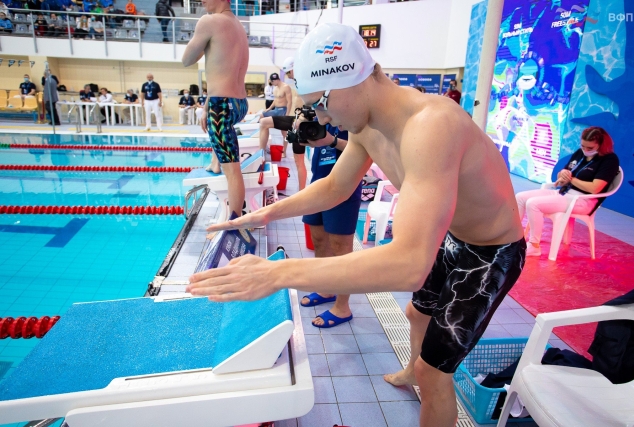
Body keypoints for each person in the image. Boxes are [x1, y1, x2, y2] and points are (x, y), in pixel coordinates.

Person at [187, 23, 526, 427]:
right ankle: (411, 370)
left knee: (434, 373)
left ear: (352, 79)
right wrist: (266, 213)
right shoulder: (366, 126)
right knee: (416, 314)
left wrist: (277, 274)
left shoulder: (432, 125)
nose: (322, 118)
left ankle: (421, 374)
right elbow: (335, 186)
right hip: (455, 237)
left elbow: (409, 264)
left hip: (493, 250)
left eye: (320, 104)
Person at [181, 0, 248, 218]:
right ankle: (215, 163)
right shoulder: (238, 26)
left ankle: (234, 225)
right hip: (238, 103)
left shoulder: (208, 22)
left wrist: (202, 44)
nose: (201, 1)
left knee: (233, 173)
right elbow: (223, 67)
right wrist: (208, 104)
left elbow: (186, 60)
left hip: (222, 107)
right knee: (226, 159)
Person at [516, 126, 619, 257]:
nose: (585, 150)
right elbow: (562, 177)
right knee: (520, 197)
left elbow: (595, 188)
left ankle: (534, 245)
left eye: (590, 148)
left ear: (601, 145)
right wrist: (562, 174)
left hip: (584, 200)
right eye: (583, 146)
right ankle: (514, 237)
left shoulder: (610, 160)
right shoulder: (580, 153)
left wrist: (571, 179)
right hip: (564, 192)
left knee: (533, 204)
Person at [299, 122, 362, 328]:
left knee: (341, 250)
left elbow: (365, 150)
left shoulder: (356, 117)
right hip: (318, 184)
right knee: (318, 240)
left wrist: (331, 141)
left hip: (344, 188)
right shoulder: (322, 116)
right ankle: (326, 289)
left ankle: (342, 307)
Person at [258, 57, 307, 189]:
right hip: (294, 119)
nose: (288, 75)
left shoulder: (305, 81)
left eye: (289, 72)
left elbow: (305, 103)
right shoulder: (297, 82)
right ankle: (260, 155)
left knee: (299, 161)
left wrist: (299, 117)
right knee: (263, 122)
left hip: (301, 123)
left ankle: (301, 191)